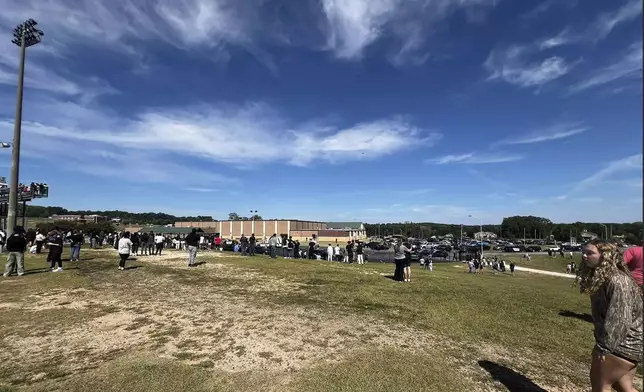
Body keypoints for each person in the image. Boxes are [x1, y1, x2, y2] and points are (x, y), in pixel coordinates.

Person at [576, 239, 643, 392]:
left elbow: (620, 319)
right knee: (624, 386)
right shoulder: (603, 277)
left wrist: (604, 347)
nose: (584, 256)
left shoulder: (617, 280)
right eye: (583, 252)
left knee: (601, 386)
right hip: (627, 344)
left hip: (621, 345)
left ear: (605, 256)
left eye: (590, 253)